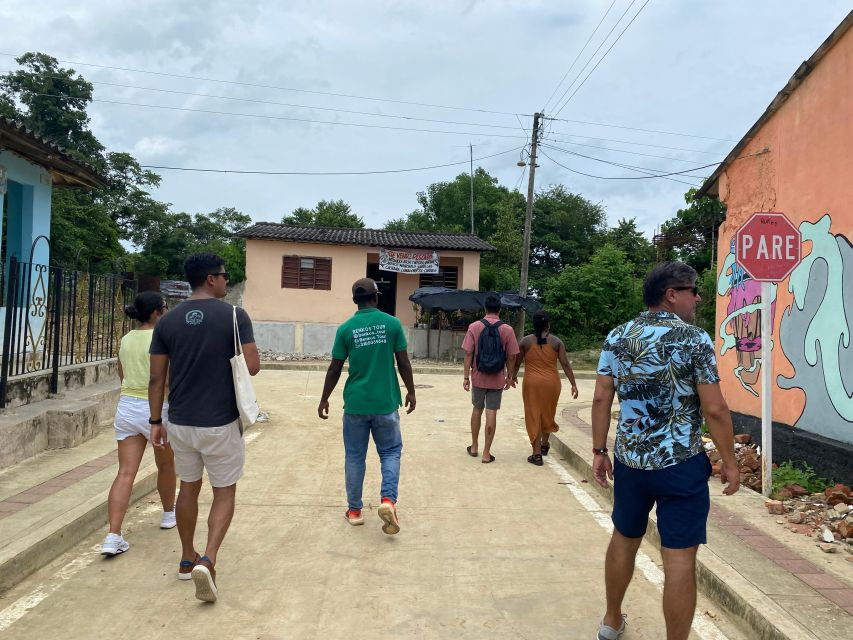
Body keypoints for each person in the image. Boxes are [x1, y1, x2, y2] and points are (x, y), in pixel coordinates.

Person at [591, 262, 740, 640]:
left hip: (630, 462)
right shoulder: (695, 339)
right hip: (680, 464)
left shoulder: (618, 336)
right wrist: (730, 462)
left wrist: (598, 450)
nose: (698, 297)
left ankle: (610, 621)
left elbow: (601, 397)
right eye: (692, 290)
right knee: (679, 557)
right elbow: (715, 409)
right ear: (671, 294)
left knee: (624, 538)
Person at [149, 253, 260, 603]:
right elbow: (253, 366)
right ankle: (209, 560)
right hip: (220, 421)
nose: (228, 281)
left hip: (179, 421)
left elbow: (156, 377)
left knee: (188, 487)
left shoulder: (166, 321)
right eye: (225, 276)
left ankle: (186, 557)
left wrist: (155, 421)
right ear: (210, 279)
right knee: (224, 490)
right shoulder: (233, 315)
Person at [318, 278, 416, 535]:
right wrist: (411, 392)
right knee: (391, 453)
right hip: (385, 403)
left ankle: (354, 511)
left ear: (355, 300)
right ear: (377, 296)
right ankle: (388, 501)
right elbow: (403, 363)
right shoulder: (392, 324)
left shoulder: (346, 329)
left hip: (355, 405)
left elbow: (335, 368)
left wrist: (324, 397)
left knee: (354, 456)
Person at [100, 292, 176, 557]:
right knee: (165, 464)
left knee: (125, 472)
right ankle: (168, 514)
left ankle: (113, 535)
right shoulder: (162, 337)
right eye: (165, 307)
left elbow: (121, 373)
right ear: (156, 312)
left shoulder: (126, 339)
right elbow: (164, 378)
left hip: (127, 406)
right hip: (155, 407)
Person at [511, 310, 579, 467]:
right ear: (548, 324)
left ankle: (536, 455)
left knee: (533, 415)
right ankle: (544, 445)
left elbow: (517, 361)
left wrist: (513, 376)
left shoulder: (526, 342)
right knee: (548, 413)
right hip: (552, 384)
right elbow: (566, 364)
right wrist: (573, 384)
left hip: (532, 384)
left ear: (534, 324)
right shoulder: (557, 342)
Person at [461, 294, 520, 463]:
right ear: (500, 309)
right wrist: (509, 376)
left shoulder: (474, 326)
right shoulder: (507, 330)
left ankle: (474, 447)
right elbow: (511, 357)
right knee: (491, 412)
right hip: (497, 378)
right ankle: (487, 453)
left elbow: (468, 353)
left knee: (477, 409)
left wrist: (466, 377)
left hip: (478, 376)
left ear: (485, 309)